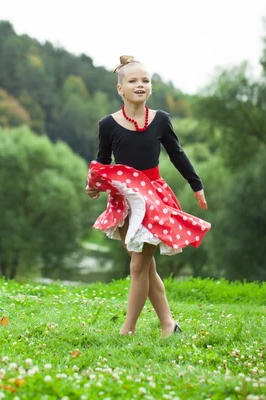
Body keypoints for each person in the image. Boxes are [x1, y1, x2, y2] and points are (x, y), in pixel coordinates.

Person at [85, 55, 211, 338]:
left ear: (150, 88)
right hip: (125, 200)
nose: (140, 85)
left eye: (145, 80)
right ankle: (169, 324)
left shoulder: (161, 120)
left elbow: (177, 153)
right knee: (145, 265)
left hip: (154, 198)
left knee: (139, 264)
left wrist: (196, 183)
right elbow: (102, 161)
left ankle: (127, 329)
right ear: (120, 89)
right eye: (133, 81)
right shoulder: (108, 124)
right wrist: (92, 185)